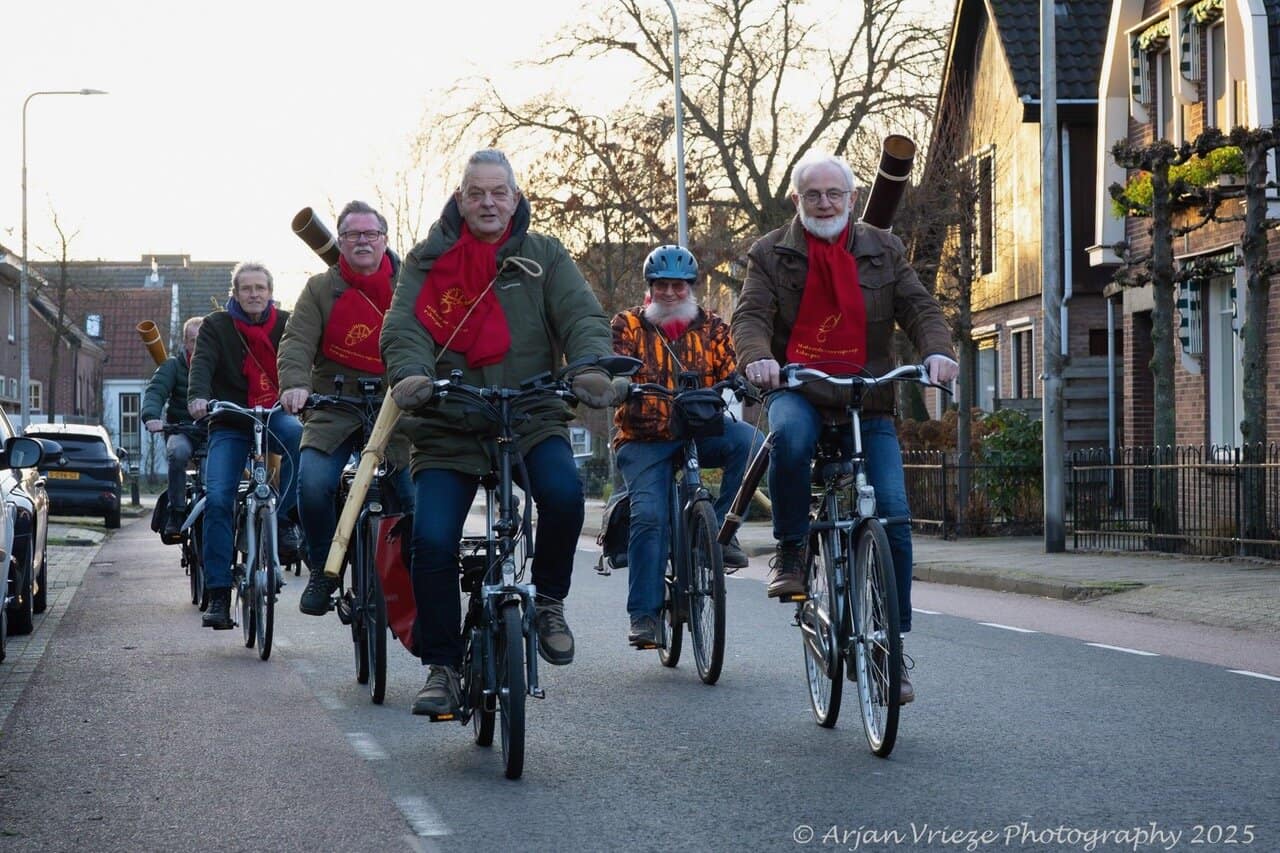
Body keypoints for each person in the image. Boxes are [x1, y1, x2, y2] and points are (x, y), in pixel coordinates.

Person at [381, 148, 620, 716]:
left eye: (498, 193)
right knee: (433, 540)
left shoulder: (544, 255)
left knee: (563, 499)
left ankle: (549, 604)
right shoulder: (426, 259)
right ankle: (441, 666)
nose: (488, 203)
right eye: (477, 193)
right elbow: (403, 327)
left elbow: (582, 316)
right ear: (461, 199)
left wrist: (588, 363)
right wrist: (414, 375)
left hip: (532, 412)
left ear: (515, 198)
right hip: (449, 421)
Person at [730, 151, 958, 704]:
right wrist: (758, 358)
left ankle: (891, 648)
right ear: (797, 200)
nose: (825, 203)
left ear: (852, 199)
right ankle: (791, 551)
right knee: (789, 439)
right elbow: (750, 317)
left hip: (867, 397)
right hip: (798, 389)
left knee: (896, 519)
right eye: (814, 195)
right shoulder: (769, 254)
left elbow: (921, 308)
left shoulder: (883, 249)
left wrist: (938, 352)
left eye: (835, 194)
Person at [611, 245, 759, 647]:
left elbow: (730, 367)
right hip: (645, 437)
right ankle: (644, 616)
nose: (671, 293)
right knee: (650, 516)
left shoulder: (713, 326)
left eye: (678, 286)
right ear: (651, 288)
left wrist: (744, 380)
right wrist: (619, 383)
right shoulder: (628, 325)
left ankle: (722, 536)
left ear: (691, 288)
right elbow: (615, 365)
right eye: (662, 286)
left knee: (755, 445)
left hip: (700, 428)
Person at [278, 200, 416, 616]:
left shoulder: (410, 285)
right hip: (333, 403)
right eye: (352, 234)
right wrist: (296, 385)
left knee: (416, 495)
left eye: (369, 234)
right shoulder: (320, 289)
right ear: (340, 241)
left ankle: (416, 573)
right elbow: (296, 341)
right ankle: (324, 569)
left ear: (384, 239)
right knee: (314, 485)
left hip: (398, 404)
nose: (361, 241)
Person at [188, 262, 304, 630]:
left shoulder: (288, 323)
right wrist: (199, 398)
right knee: (219, 497)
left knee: (300, 439)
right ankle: (219, 594)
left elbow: (304, 361)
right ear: (235, 293)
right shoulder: (216, 326)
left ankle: (284, 520)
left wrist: (303, 392)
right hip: (231, 420)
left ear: (270, 291)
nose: (254, 294)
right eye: (246, 288)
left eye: (260, 288)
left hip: (274, 414)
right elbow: (202, 364)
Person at [142, 316, 203, 538]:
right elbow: (155, 391)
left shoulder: (221, 366)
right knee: (177, 453)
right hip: (182, 430)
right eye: (194, 341)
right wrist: (151, 416)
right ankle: (176, 511)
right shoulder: (173, 366)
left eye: (203, 340)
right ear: (186, 343)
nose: (199, 346)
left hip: (214, 430)